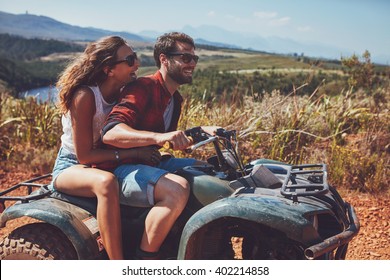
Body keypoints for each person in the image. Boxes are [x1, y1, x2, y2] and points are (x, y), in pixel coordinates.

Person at [101, 32, 216, 259]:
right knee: (177, 189)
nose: (191, 63)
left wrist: (199, 132)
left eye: (194, 58)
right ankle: (145, 259)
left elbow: (169, 140)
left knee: (206, 172)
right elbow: (111, 132)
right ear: (164, 59)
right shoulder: (143, 87)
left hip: (149, 161)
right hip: (120, 166)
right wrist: (158, 138)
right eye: (185, 57)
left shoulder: (175, 99)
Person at [50, 36, 157, 260]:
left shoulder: (123, 93)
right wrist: (135, 152)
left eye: (135, 57)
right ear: (109, 69)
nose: (136, 64)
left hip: (105, 161)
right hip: (73, 165)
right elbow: (84, 155)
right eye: (129, 60)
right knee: (106, 183)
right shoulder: (86, 96)